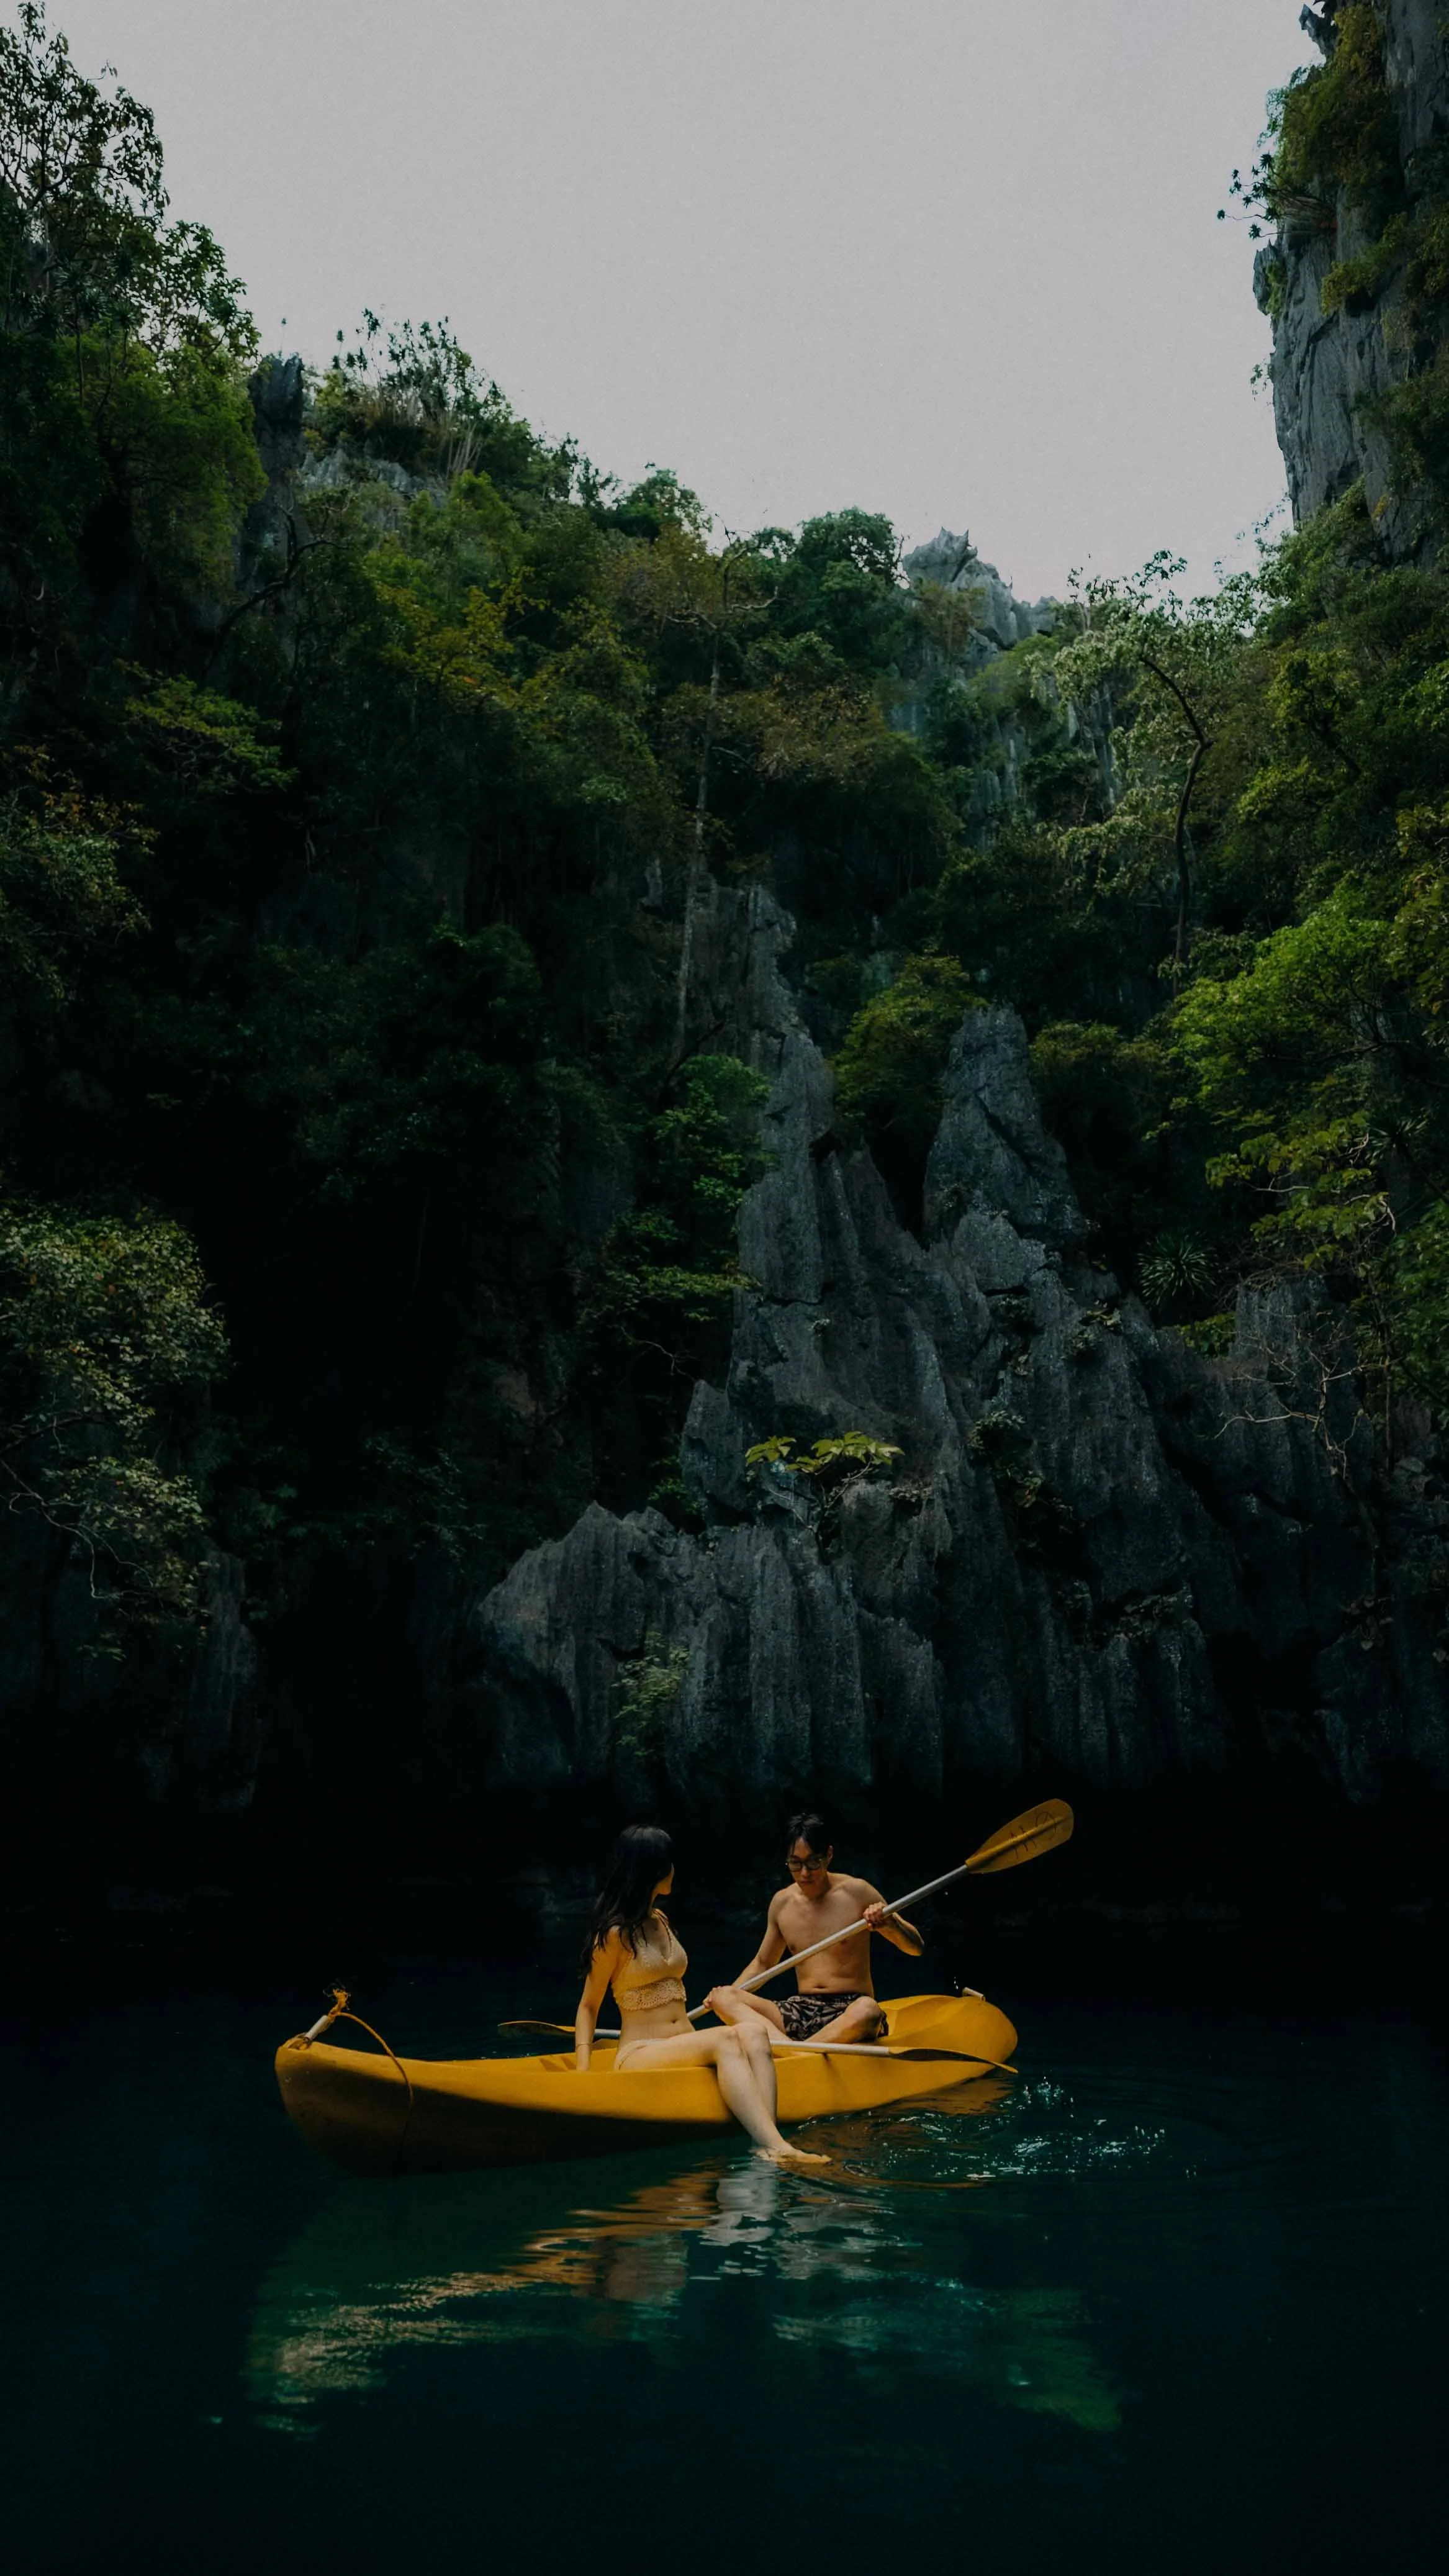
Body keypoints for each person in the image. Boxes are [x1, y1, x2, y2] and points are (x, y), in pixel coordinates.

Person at [573, 1824, 828, 2165]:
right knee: (726, 2039)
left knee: (752, 2032)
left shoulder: (661, 1919)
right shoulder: (615, 1935)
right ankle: (777, 2147)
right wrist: (584, 2071)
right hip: (640, 2052)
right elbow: (589, 2006)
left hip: (683, 2044)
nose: (675, 1870)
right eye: (669, 1863)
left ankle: (765, 2138)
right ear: (653, 1870)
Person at [704, 1810, 923, 2046]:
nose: (805, 1873)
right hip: (800, 2010)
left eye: (813, 1862)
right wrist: (726, 1995)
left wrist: (890, 1924)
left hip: (850, 2008)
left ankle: (793, 2050)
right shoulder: (782, 1903)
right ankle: (799, 2051)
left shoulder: (857, 1892)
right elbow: (763, 1964)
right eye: (795, 1864)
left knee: (869, 2012)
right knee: (724, 1996)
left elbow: (916, 1948)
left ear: (828, 1855)